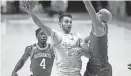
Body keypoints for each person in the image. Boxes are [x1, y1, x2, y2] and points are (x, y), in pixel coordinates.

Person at [19, 1, 90, 76]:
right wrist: (31, 13)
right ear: (60, 24)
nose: (69, 24)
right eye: (66, 22)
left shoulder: (77, 36)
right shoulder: (57, 36)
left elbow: (89, 54)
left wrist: (80, 50)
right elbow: (41, 25)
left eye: (70, 22)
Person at [83, 1, 112, 76]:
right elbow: (83, 44)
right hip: (92, 66)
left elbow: (91, 11)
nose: (96, 13)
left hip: (102, 70)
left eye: (99, 12)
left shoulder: (100, 27)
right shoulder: (96, 31)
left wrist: (87, 2)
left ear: (104, 18)